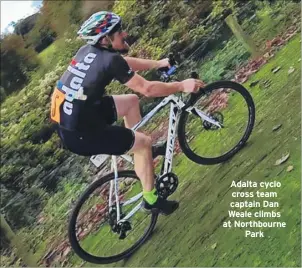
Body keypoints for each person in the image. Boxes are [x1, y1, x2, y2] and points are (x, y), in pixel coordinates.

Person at [50, 11, 205, 215]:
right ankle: (151, 200)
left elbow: (125, 63)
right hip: (81, 133)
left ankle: (139, 153)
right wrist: (182, 85)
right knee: (144, 143)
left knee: (131, 102)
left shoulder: (88, 51)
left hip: (73, 117)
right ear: (105, 39)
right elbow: (147, 90)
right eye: (118, 31)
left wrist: (158, 63)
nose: (125, 33)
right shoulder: (107, 59)